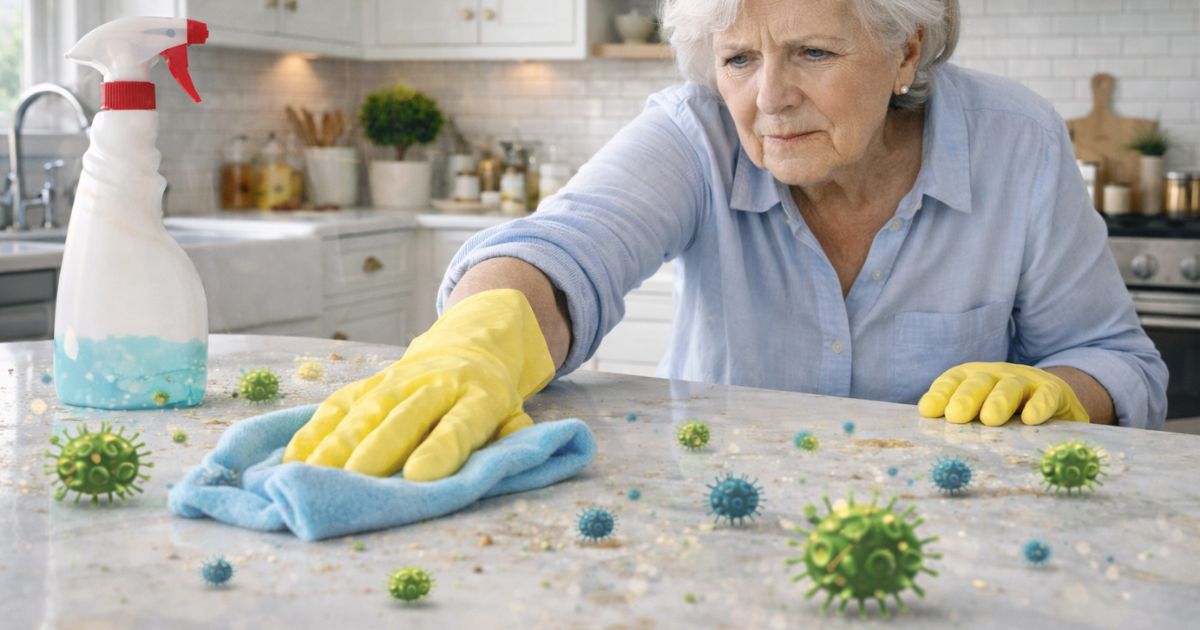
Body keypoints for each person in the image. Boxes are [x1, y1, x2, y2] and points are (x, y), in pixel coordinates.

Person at [282, 0, 1168, 482]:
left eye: (813, 53)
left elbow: (1119, 362)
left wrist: (1059, 391)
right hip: (728, 506)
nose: (769, 98)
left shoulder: (1015, 138)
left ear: (907, 52)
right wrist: (480, 340)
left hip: (967, 530)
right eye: (740, 58)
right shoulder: (693, 131)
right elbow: (566, 247)